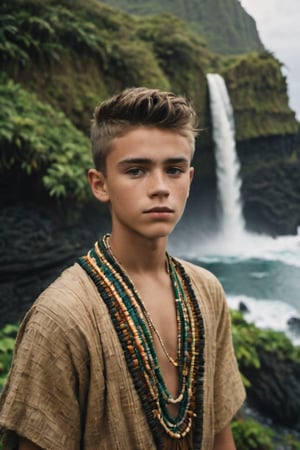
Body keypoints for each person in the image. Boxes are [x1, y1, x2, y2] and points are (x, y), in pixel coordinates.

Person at [0, 87, 245, 450]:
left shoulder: (207, 290)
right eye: (136, 170)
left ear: (190, 181)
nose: (160, 188)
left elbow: (219, 433)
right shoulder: (62, 317)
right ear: (100, 184)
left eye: (174, 169)